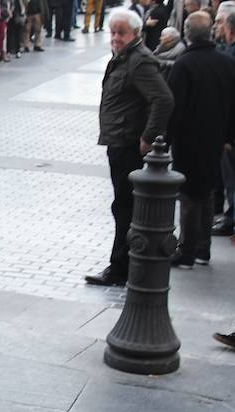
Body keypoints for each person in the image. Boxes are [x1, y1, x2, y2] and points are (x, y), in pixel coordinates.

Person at [85, 8, 173, 286]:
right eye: (112, 32)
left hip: (127, 143)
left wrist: (147, 137)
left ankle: (120, 268)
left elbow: (163, 99)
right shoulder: (124, 57)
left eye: (121, 32)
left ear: (135, 33)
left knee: (124, 207)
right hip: (118, 141)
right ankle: (124, 264)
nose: (115, 37)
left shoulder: (139, 60)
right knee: (122, 206)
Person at [167, 11, 235, 267]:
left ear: (186, 33)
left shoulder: (185, 64)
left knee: (188, 194)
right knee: (206, 192)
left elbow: (175, 107)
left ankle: (187, 250)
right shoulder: (227, 62)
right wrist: (228, 136)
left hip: (188, 139)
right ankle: (203, 249)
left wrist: (166, 138)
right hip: (215, 138)